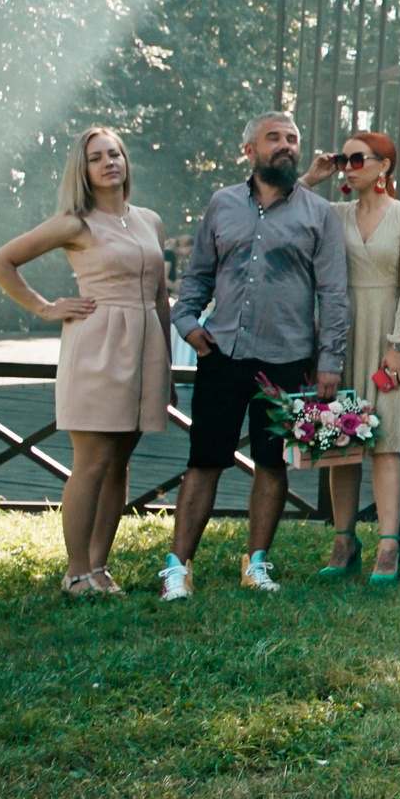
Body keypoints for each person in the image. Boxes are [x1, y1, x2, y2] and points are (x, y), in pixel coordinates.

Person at [163, 112, 350, 598]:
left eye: (292, 138)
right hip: (223, 353)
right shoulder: (222, 204)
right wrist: (187, 323)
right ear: (250, 150)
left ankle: (257, 564)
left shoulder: (319, 214)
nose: (286, 145)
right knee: (204, 460)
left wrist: (330, 360)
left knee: (273, 463)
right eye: (275, 138)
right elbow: (198, 274)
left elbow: (334, 293)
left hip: (287, 359)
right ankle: (178, 568)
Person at [0, 126, 171, 594]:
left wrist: (164, 364)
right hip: (98, 343)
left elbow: (161, 296)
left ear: (126, 161)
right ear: (82, 170)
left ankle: (99, 567)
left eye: (115, 154)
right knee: (92, 460)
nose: (109, 162)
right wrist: (46, 308)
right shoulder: (75, 223)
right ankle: (75, 571)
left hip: (146, 345)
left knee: (121, 461)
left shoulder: (150, 219)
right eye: (96, 157)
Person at [299, 133, 400, 582]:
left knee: (387, 447)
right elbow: (284, 207)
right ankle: (343, 540)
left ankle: (387, 546)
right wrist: (314, 176)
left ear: (384, 166)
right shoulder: (333, 214)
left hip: (388, 338)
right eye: (342, 159)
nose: (347, 167)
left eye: (356, 159)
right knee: (341, 445)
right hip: (340, 337)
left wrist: (399, 343)